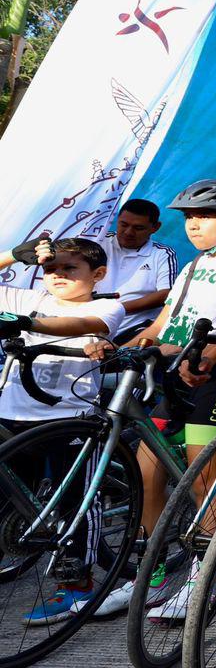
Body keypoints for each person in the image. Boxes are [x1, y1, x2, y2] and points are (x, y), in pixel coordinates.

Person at [119, 181, 216, 621]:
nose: (194, 225)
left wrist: (207, 356)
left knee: (205, 475)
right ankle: (153, 569)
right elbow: (165, 322)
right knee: (147, 470)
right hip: (175, 372)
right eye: (188, 218)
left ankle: (206, 574)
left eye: (204, 217)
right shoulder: (194, 264)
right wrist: (131, 343)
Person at [0, 238, 128, 625]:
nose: (56, 276)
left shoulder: (106, 305)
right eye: (50, 269)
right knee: (11, 497)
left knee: (77, 503)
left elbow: (83, 325)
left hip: (72, 420)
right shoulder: (26, 298)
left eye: (69, 270)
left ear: (98, 274)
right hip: (12, 416)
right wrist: (15, 254)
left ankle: (77, 584)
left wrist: (28, 324)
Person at [98, 198, 178, 328]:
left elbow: (166, 294)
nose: (129, 232)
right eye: (123, 224)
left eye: (138, 228)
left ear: (155, 228)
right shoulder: (98, 241)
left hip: (133, 326)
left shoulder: (163, 254)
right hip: (89, 319)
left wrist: (117, 310)